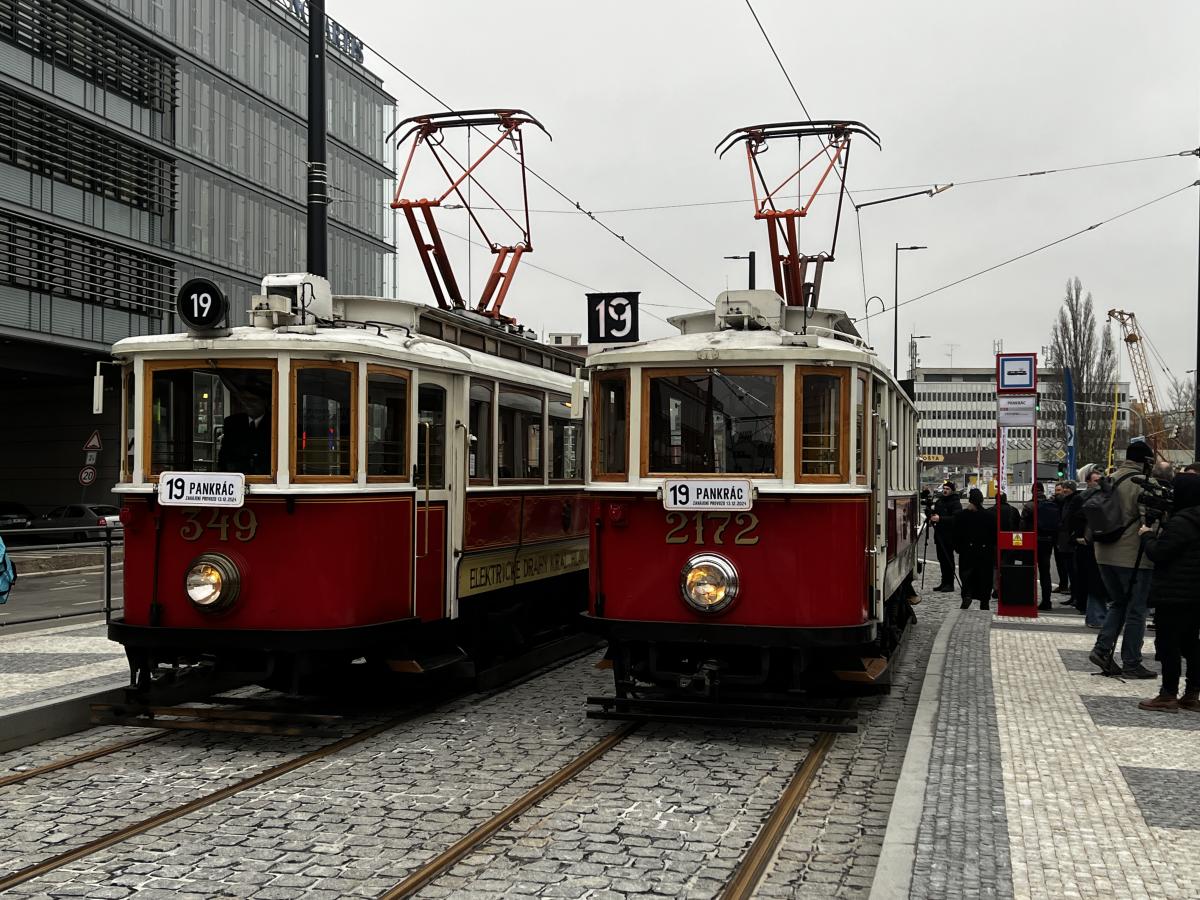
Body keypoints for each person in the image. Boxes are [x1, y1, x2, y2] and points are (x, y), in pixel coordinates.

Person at [1088, 438, 1157, 679]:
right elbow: (1151, 521)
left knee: (1117, 603)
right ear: (1147, 461)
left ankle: (1102, 650)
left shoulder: (1108, 480)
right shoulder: (1144, 483)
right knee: (1137, 610)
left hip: (1103, 553)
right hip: (1132, 557)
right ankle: (1131, 662)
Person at [1136, 472, 1200, 712]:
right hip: (1195, 594)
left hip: (1174, 593)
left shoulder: (1181, 522)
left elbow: (1160, 554)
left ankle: (1168, 694)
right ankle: (1192, 693)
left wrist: (1147, 536)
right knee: (1191, 643)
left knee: (1168, 643)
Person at [1073, 465, 1109, 627]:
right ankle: (1096, 616)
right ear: (1087, 481)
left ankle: (1093, 615)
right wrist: (1080, 536)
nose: (1098, 483)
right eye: (1095, 480)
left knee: (1096, 580)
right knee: (1095, 581)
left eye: (1100, 480)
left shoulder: (1095, 498)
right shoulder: (1085, 499)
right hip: (1090, 545)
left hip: (1092, 543)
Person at [954, 488, 996, 610]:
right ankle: (984, 601)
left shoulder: (962, 515)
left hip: (967, 552)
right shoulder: (990, 516)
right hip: (985, 553)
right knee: (985, 578)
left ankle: (967, 595)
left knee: (967, 575)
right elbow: (994, 536)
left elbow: (956, 535)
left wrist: (958, 548)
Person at [1020, 482, 1059, 611]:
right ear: (1043, 491)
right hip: (1047, 542)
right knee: (1045, 573)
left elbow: (1022, 526)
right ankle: (1047, 601)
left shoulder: (1029, 505)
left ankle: (1028, 599)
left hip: (1032, 542)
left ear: (1032, 491)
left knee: (1030, 571)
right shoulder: (1051, 504)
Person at [217, 387, 272, 475]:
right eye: (245, 400)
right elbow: (224, 453)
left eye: (253, 400)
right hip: (236, 476)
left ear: (264, 401)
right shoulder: (232, 422)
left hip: (266, 478)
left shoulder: (275, 422)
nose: (248, 404)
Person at [929, 481, 962, 592]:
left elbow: (956, 519)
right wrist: (932, 517)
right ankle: (944, 582)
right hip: (939, 534)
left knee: (948, 559)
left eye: (947, 488)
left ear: (952, 490)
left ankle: (950, 583)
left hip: (949, 536)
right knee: (941, 559)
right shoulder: (939, 501)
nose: (945, 490)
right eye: (944, 488)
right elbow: (935, 514)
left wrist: (940, 519)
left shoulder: (956, 503)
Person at [1055, 481, 1081, 608]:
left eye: (1067, 488)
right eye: (1064, 488)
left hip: (1070, 540)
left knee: (1074, 570)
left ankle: (1077, 596)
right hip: (1065, 540)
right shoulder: (1065, 501)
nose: (1065, 490)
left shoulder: (1075, 501)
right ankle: (1074, 596)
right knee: (1069, 569)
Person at [1052, 482, 1071, 594]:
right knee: (1059, 562)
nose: (1057, 493)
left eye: (1059, 490)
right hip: (1057, 536)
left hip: (1065, 536)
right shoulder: (1055, 502)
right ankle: (1063, 584)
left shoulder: (1066, 502)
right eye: (1056, 491)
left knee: (1067, 563)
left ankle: (1069, 586)